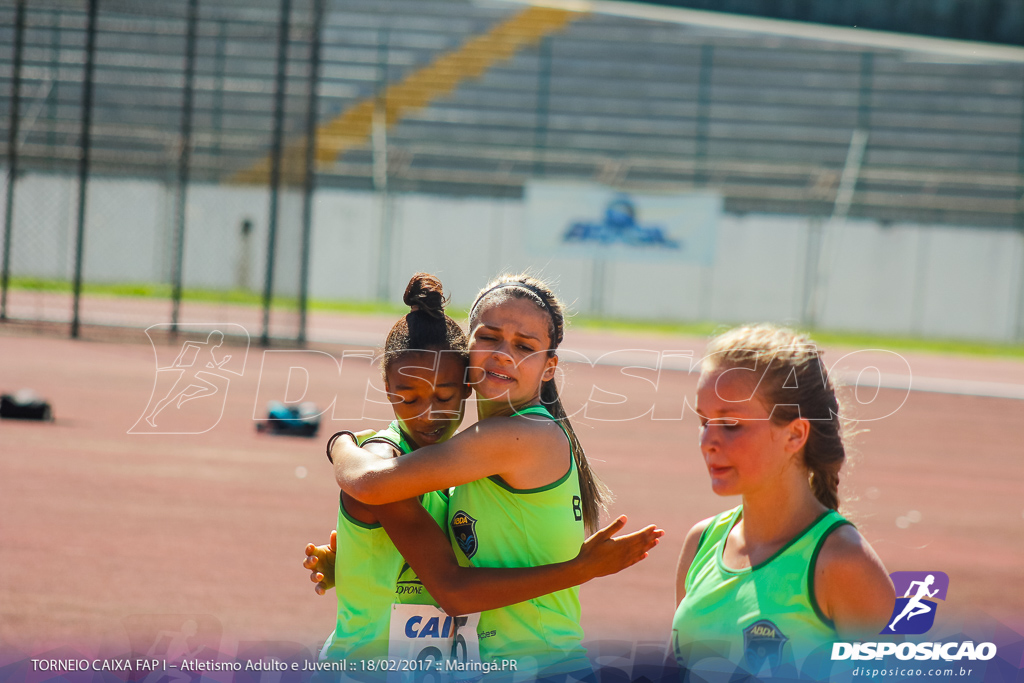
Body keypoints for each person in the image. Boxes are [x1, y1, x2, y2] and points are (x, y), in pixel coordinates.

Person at [317, 273, 662, 676]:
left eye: (523, 346)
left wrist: (339, 443)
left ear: (550, 367)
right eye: (490, 337)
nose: (503, 354)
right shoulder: (459, 458)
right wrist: (360, 560)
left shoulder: (513, 436)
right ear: (468, 354)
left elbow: (374, 489)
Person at [672, 324, 895, 681]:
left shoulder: (842, 563)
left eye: (730, 423)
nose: (708, 441)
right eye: (704, 421)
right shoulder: (701, 543)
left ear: (794, 434)